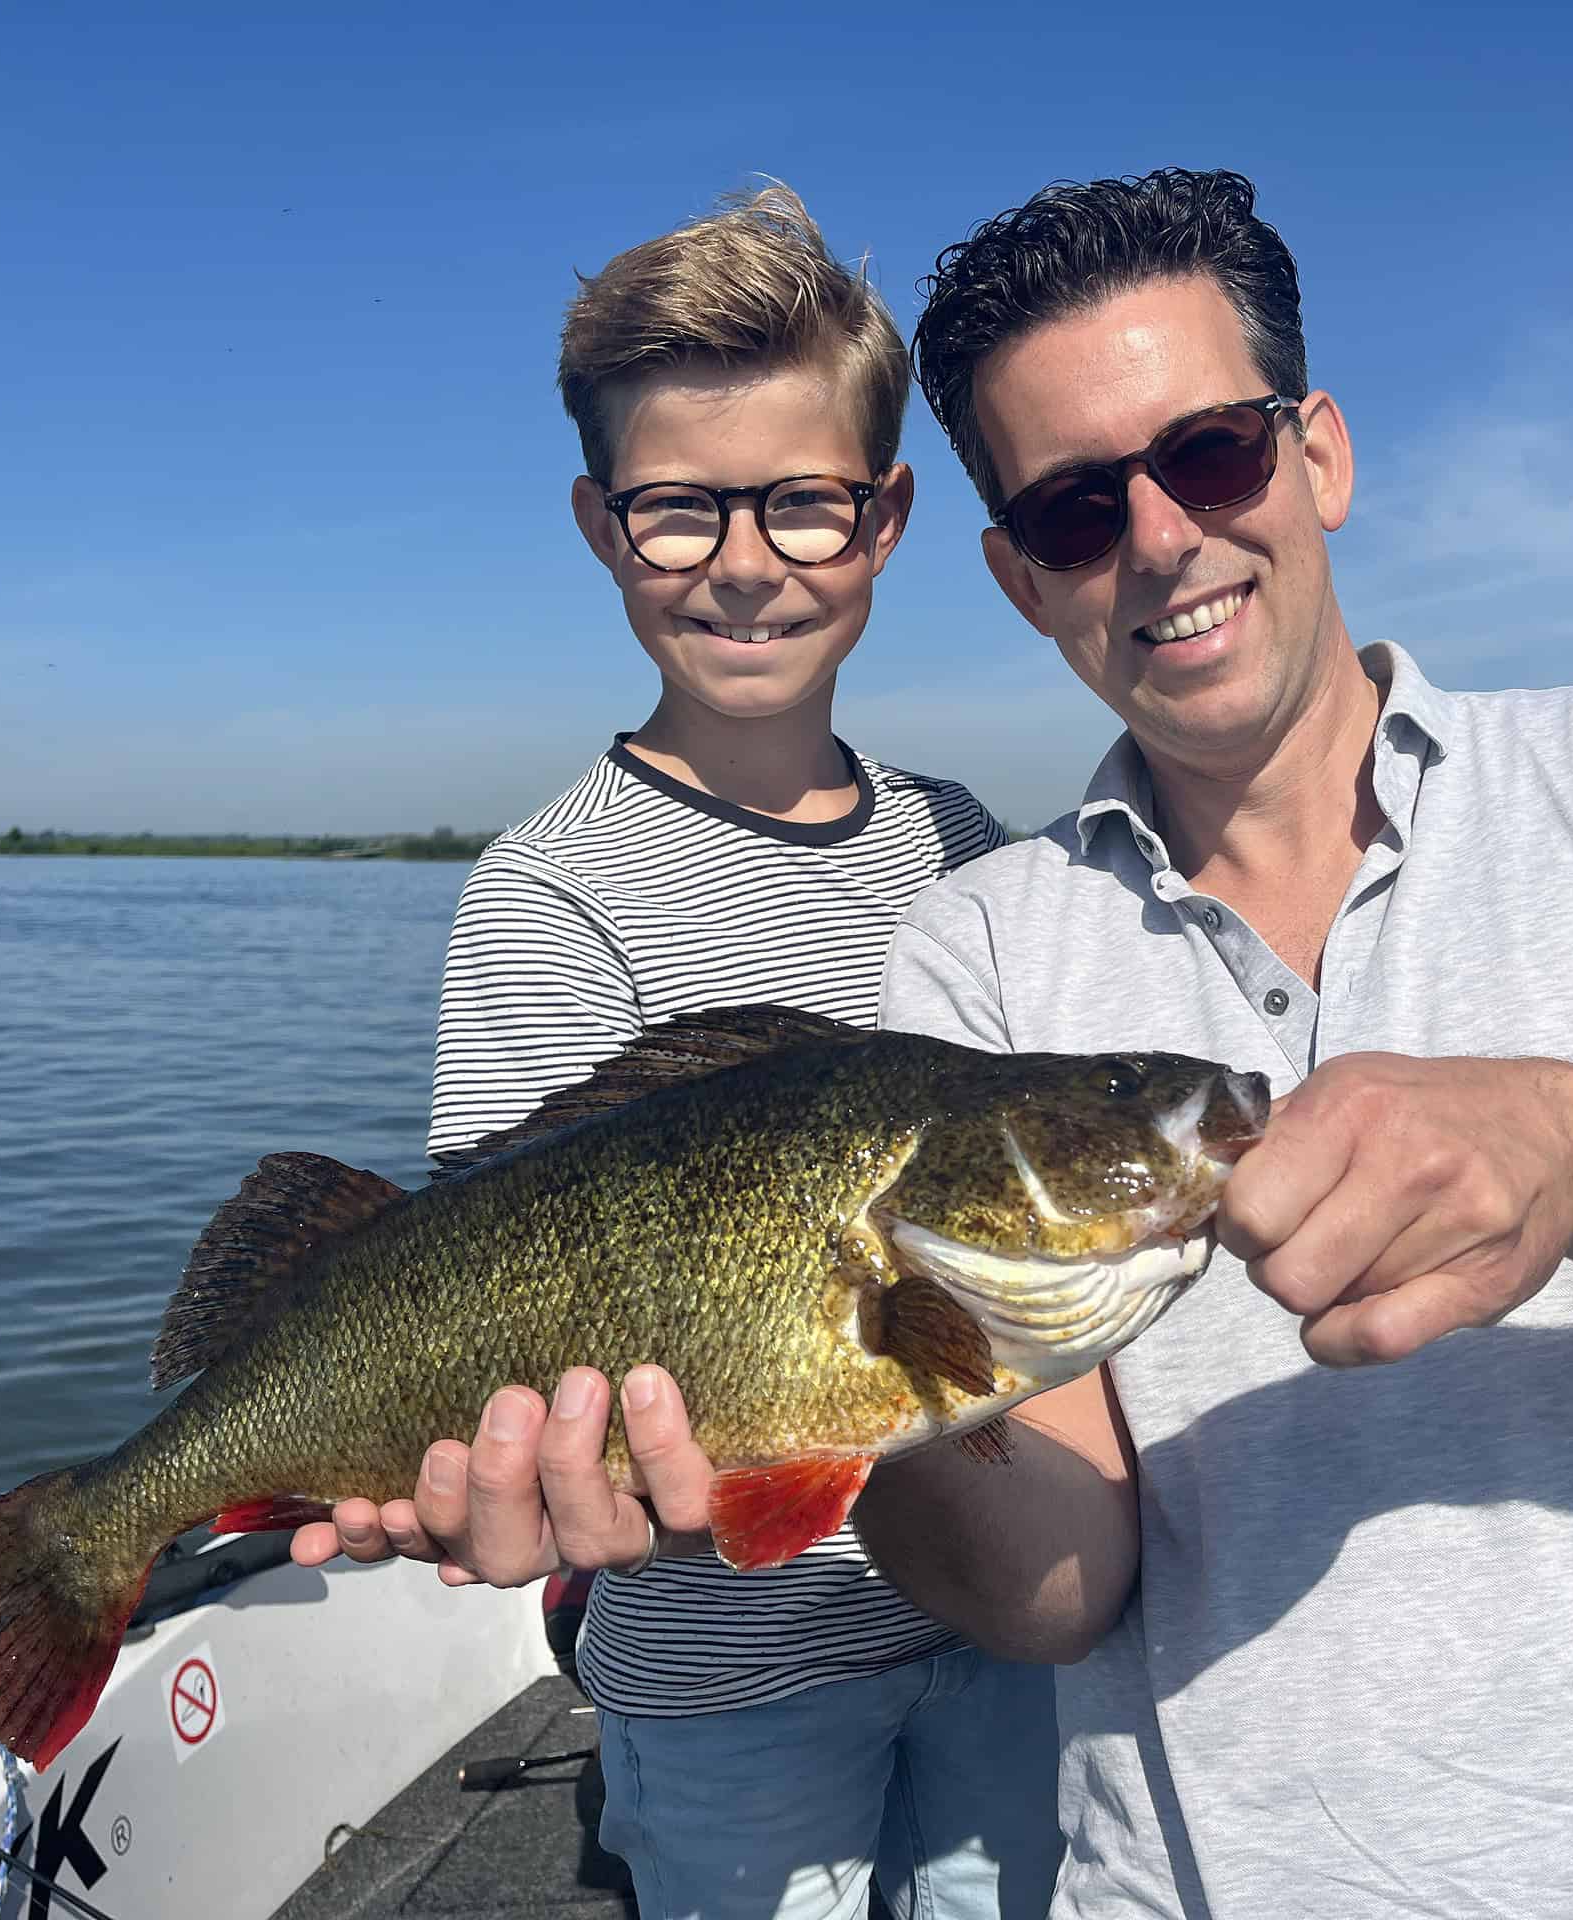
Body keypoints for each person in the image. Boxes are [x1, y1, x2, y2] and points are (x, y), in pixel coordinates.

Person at [310, 170, 1573, 1918]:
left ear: (1320, 455)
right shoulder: (983, 937)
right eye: (1076, 510)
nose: (1156, 538)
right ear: (1014, 575)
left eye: (1210, 453)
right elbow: (1053, 1591)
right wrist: (864, 1375)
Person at [291, 185, 1059, 1920]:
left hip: (1011, 1619)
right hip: (721, 1672)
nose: (741, 561)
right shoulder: (548, 892)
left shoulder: (977, 845)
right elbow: (487, 1296)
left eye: (803, 504)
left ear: (888, 518)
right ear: (596, 526)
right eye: (674, 510)